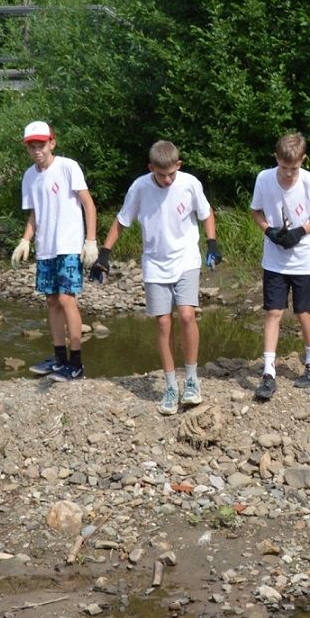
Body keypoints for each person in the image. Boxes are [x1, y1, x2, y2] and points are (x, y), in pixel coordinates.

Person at [94, 140, 219, 415]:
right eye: (161, 175)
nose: (167, 179)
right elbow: (122, 221)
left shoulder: (189, 184)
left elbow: (207, 214)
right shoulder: (140, 187)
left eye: (171, 174)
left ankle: (192, 380)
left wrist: (212, 243)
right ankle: (171, 385)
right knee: (163, 323)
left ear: (178, 165)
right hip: (154, 263)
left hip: (186, 258)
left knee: (187, 315)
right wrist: (104, 254)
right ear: (151, 168)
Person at [11, 120, 100, 382]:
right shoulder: (29, 176)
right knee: (51, 300)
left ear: (52, 142)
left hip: (69, 244)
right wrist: (25, 240)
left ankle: (77, 362)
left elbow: (88, 205)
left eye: (41, 144)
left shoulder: (68, 167)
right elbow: (35, 214)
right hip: (46, 248)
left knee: (66, 299)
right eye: (32, 146)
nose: (37, 150)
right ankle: (59, 358)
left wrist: (91, 241)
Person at [248, 132, 310, 400]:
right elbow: (256, 210)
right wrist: (268, 230)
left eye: (293, 168)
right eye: (283, 167)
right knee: (273, 312)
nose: (287, 173)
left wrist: (301, 231)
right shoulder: (264, 178)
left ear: (302, 161)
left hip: (304, 258)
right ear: (277, 159)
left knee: (304, 310)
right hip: (274, 259)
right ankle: (268, 372)